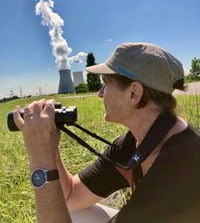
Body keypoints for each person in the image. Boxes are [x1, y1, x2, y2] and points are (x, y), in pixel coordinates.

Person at [13, 42, 200, 223]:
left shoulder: (181, 165)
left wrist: (40, 158)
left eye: (105, 83)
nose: (99, 93)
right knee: (75, 214)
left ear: (134, 93)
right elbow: (70, 196)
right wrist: (49, 146)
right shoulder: (137, 142)